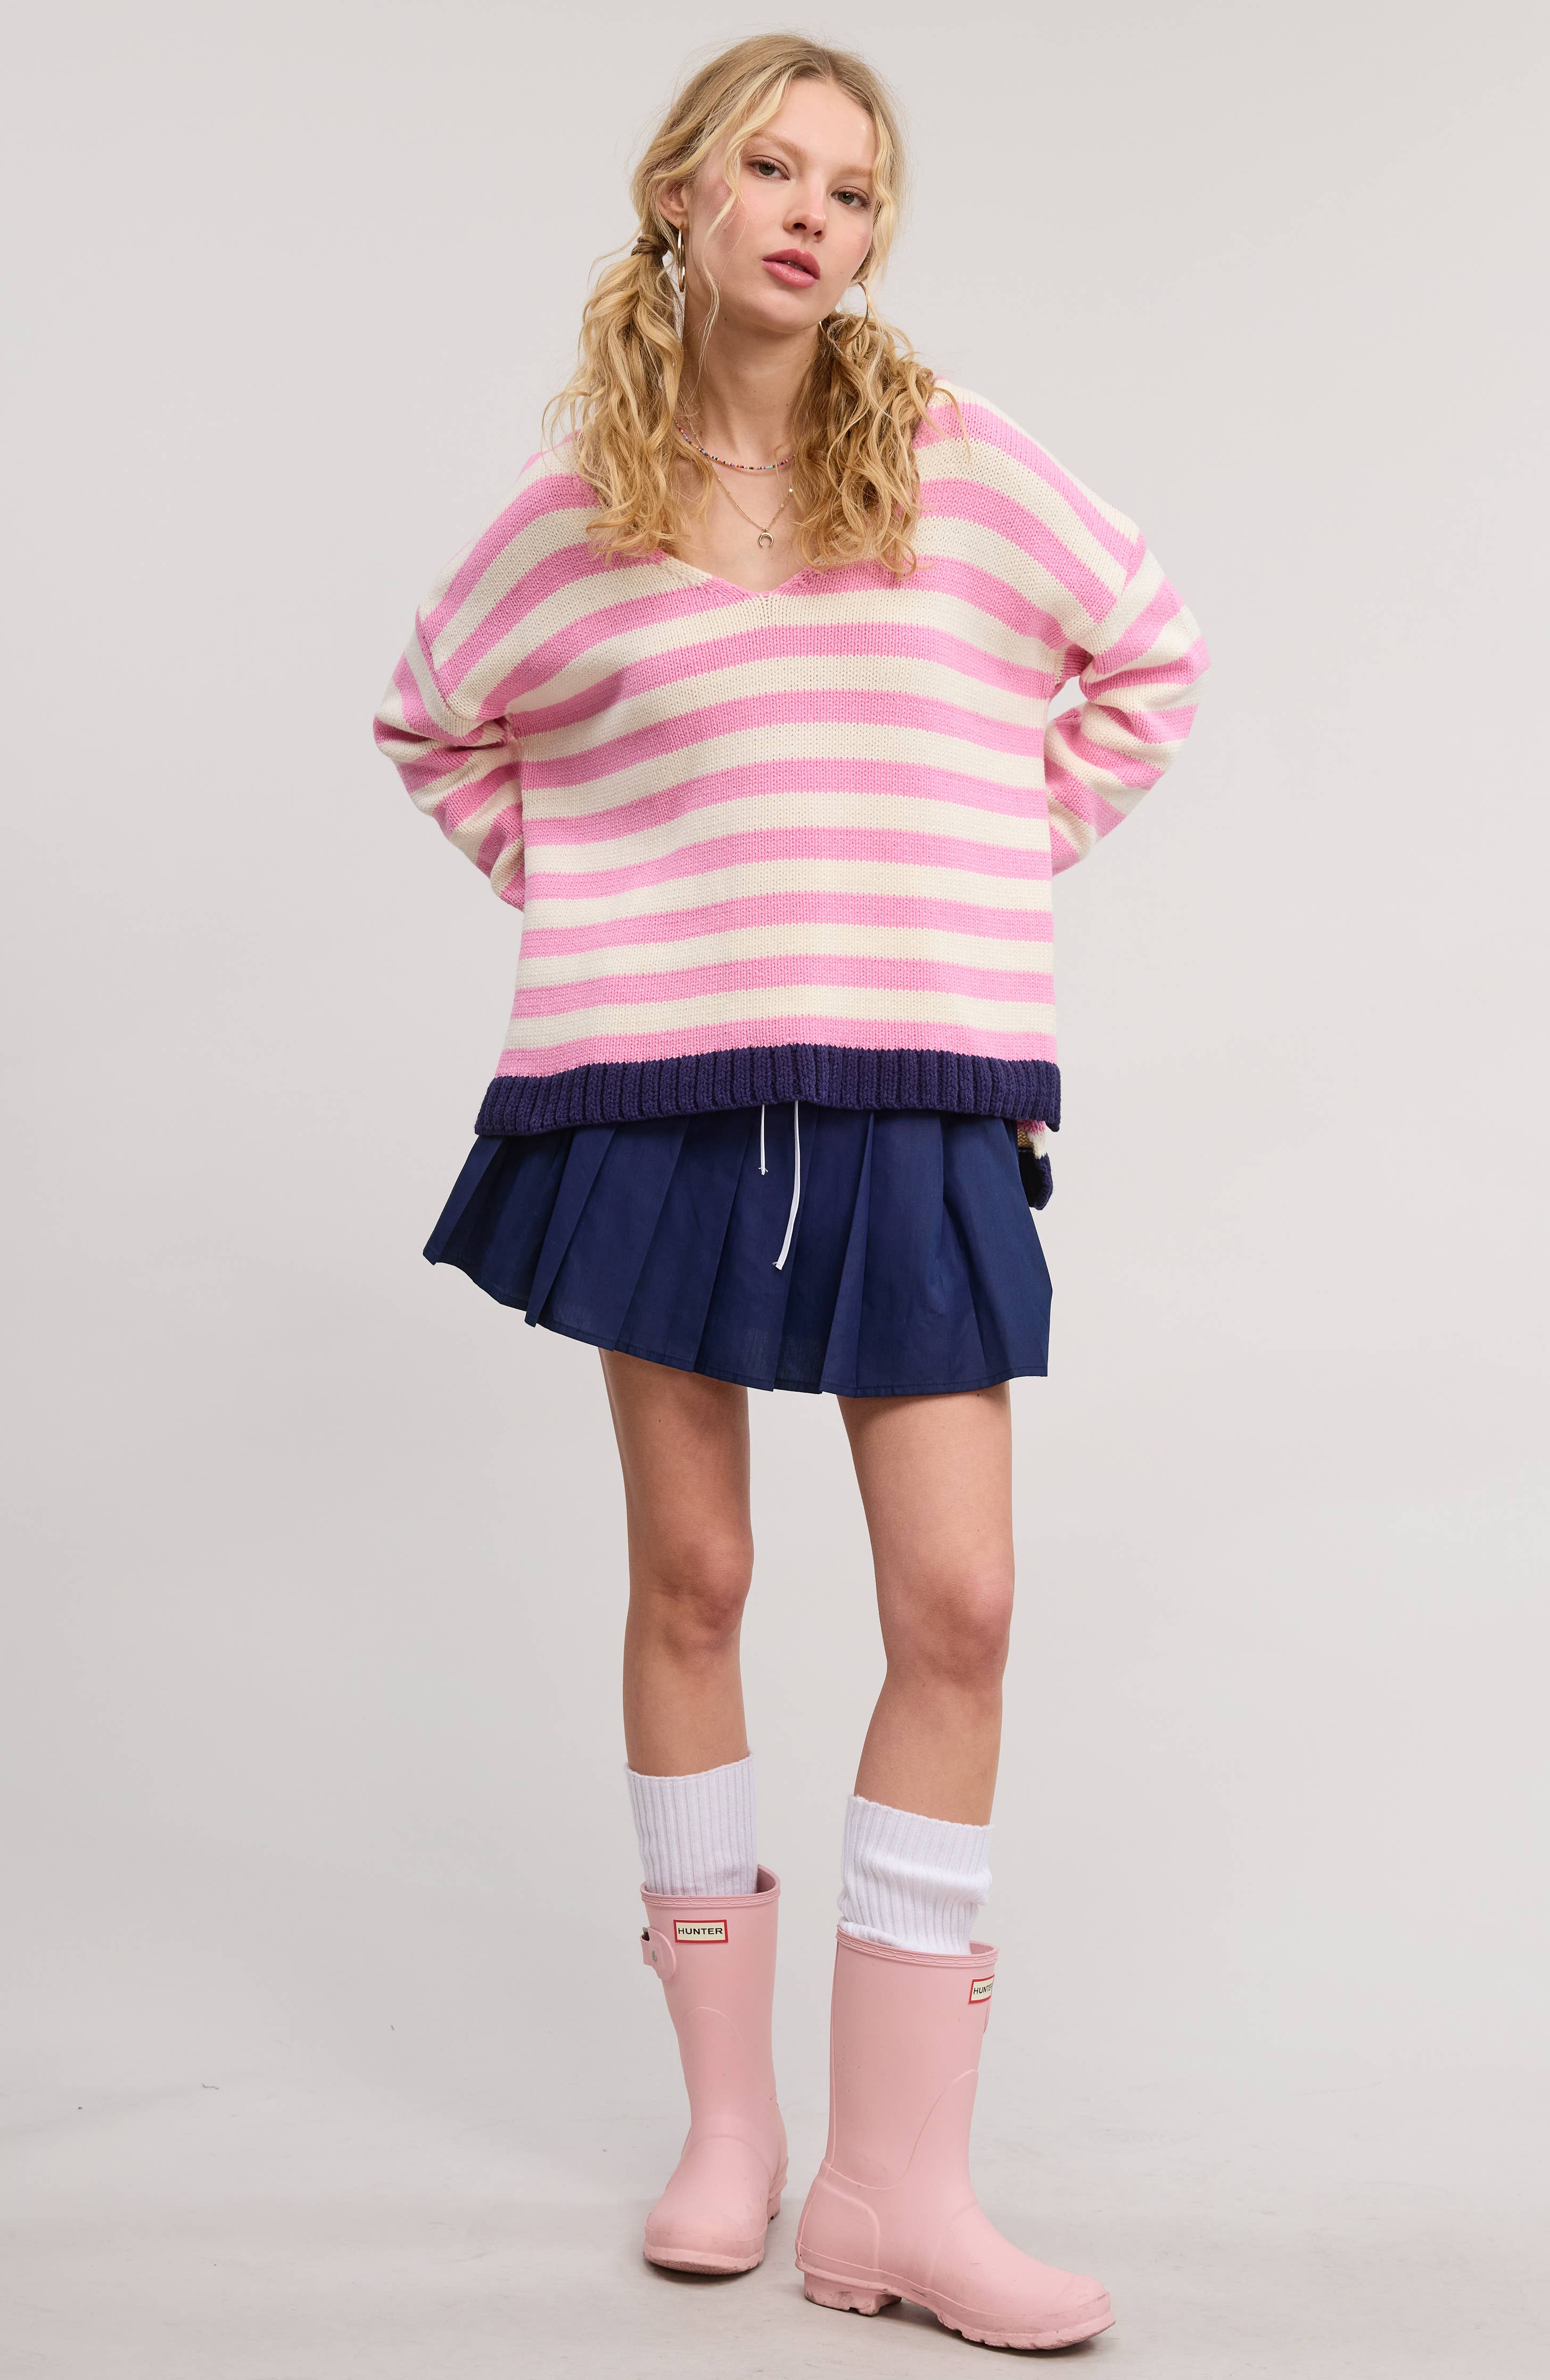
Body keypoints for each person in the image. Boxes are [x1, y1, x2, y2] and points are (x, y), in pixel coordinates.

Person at [373, 30, 1207, 2354]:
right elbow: (433, 716)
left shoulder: (953, 458)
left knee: (959, 1605)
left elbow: (1147, 657)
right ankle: (728, 2129)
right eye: (771, 167)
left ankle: (893, 2183)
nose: (812, 214)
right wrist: (623, 897)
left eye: (851, 187)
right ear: (682, 195)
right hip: (652, 1094)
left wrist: (961, 874)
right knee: (697, 1574)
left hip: (919, 1089)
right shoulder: (576, 512)